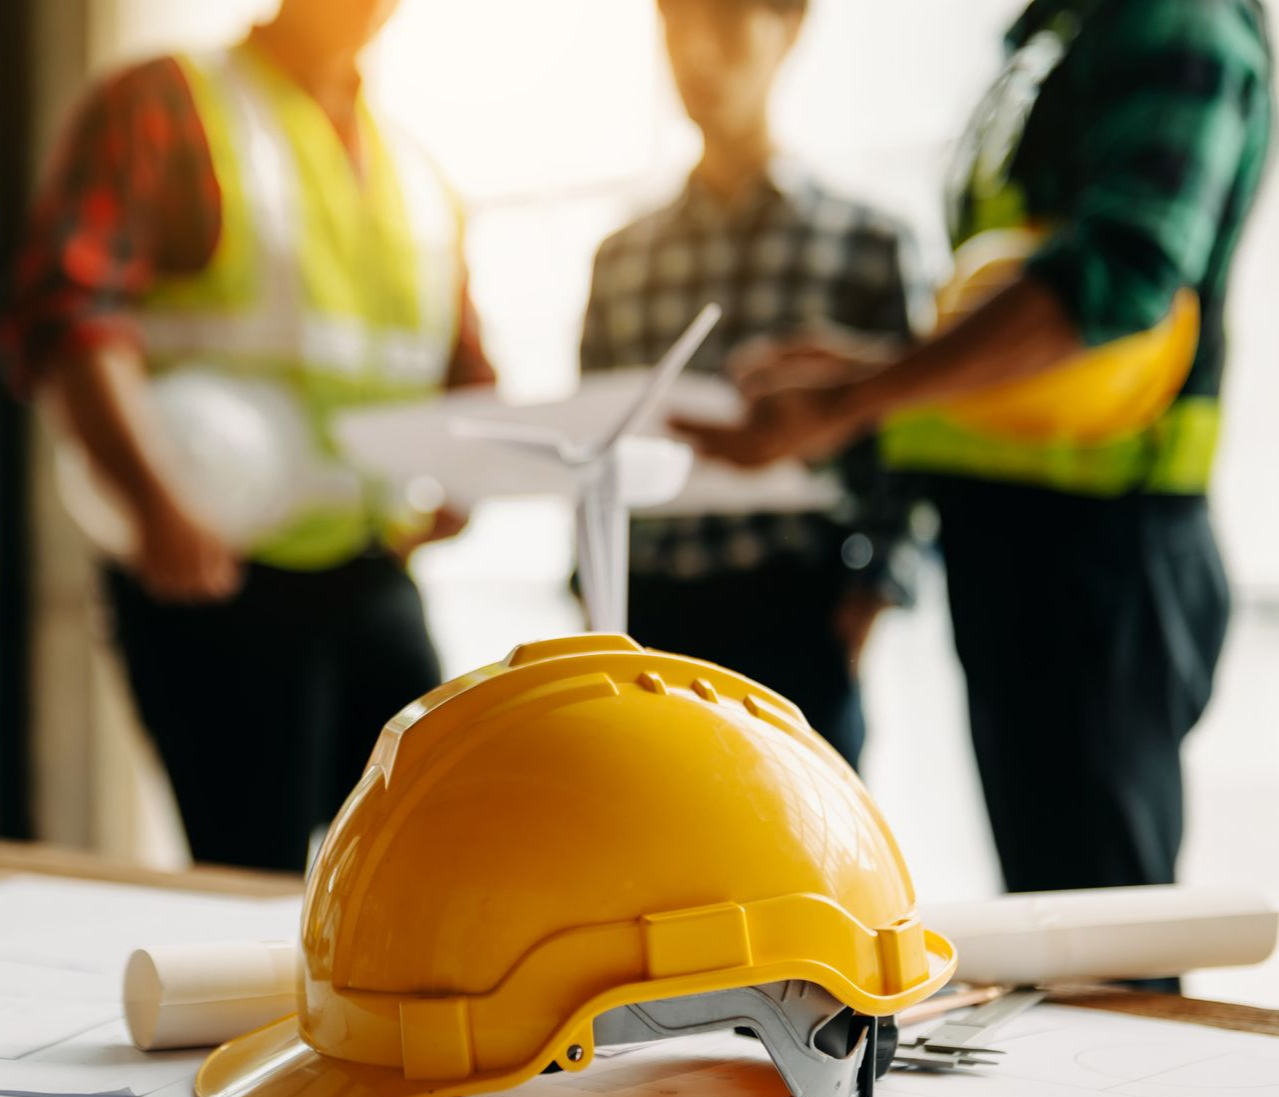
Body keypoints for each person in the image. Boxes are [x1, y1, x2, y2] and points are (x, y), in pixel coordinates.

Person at [681, 0, 1273, 894]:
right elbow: (1009, 294)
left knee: (1100, 931)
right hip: (1014, 543)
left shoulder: (1174, 20)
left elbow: (1111, 280)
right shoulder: (1053, 33)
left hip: (1101, 554)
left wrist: (854, 396)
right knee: (1053, 908)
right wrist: (874, 369)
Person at [1, 0, 493, 871]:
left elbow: (463, 360)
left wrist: (466, 469)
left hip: (371, 563)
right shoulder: (170, 100)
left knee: (441, 840)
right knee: (254, 872)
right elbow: (71, 310)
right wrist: (155, 499)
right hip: (214, 568)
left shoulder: (417, 173)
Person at [580, 0, 931, 767]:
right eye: (674, 25)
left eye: (728, 22)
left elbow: (908, 454)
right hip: (647, 628)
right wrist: (591, 599)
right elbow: (591, 454)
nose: (696, 54)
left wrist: (869, 597)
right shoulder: (620, 258)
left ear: (792, 28)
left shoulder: (870, 244)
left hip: (799, 613)